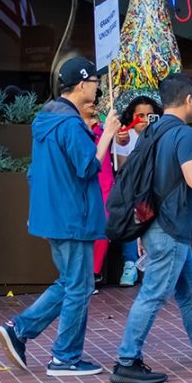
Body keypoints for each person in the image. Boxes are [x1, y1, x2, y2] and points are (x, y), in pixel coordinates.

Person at [110, 74, 192, 383]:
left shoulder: (152, 131)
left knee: (190, 290)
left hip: (155, 224)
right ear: (188, 100)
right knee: (154, 295)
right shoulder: (184, 135)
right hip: (171, 229)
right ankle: (126, 360)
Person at [0, 57, 120, 376]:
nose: (98, 86)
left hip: (54, 217)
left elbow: (46, 168)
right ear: (81, 85)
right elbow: (88, 166)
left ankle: (18, 331)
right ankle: (64, 356)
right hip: (72, 217)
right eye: (95, 81)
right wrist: (106, 134)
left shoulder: (48, 118)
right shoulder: (68, 123)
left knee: (69, 283)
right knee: (78, 287)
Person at [113, 95, 163, 287]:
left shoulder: (161, 135)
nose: (143, 120)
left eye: (149, 115)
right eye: (139, 115)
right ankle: (130, 264)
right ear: (131, 116)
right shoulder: (125, 135)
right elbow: (123, 171)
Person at [79, 88, 114, 292]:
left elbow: (121, 140)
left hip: (105, 182)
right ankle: (82, 275)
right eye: (88, 100)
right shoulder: (74, 127)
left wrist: (120, 137)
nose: (93, 103)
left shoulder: (104, 124)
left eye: (94, 100)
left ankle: (94, 273)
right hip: (86, 182)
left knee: (103, 227)